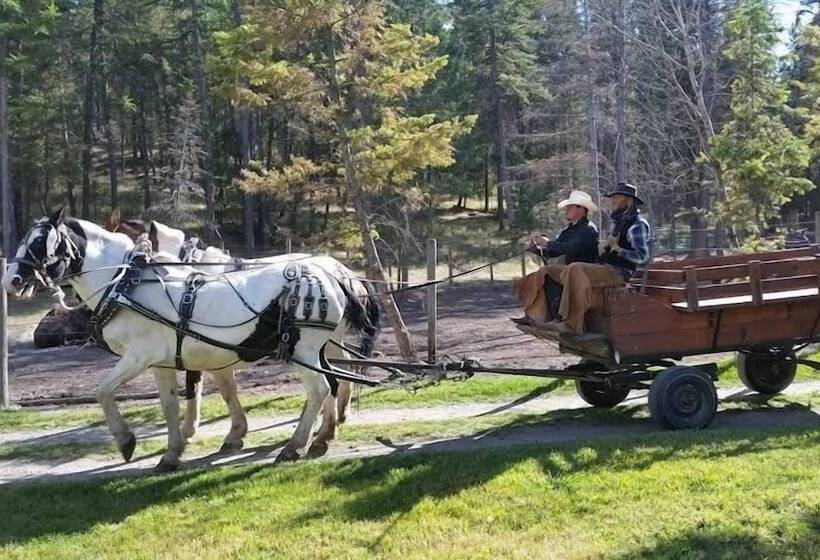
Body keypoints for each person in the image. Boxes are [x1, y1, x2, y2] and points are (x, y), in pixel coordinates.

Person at [514, 182, 651, 334]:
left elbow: (642, 257)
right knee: (547, 270)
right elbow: (560, 249)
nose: (613, 201)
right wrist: (537, 250)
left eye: (617, 197)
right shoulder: (617, 223)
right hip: (604, 268)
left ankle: (571, 324)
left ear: (629, 200)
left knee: (575, 268)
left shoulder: (637, 225)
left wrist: (618, 250)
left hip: (619, 272)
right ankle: (536, 316)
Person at [512, 190, 599, 324]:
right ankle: (538, 316)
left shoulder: (588, 230)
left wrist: (547, 243)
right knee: (545, 274)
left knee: (546, 272)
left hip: (585, 272)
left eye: (570, 207)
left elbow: (570, 248)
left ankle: (555, 317)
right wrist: (536, 249)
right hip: (570, 270)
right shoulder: (570, 229)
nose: (566, 209)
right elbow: (555, 251)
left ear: (581, 209)